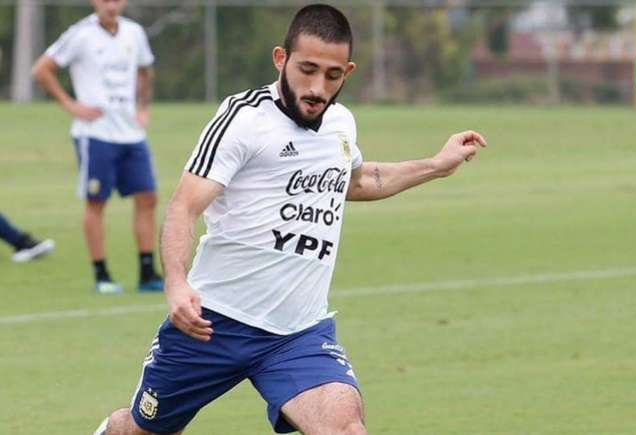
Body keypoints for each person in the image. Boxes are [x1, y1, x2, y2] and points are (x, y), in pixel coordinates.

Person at [93, 4, 487, 434]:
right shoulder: (243, 120)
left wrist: (436, 164)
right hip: (213, 324)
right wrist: (175, 282)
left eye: (333, 75)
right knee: (139, 431)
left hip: (298, 333)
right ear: (281, 59)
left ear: (348, 72)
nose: (318, 87)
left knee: (345, 429)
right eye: (308, 69)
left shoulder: (340, 124)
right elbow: (185, 205)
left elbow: (354, 181)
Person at [32, 0, 163, 294]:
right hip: (95, 134)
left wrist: (142, 108)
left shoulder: (134, 32)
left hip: (131, 133)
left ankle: (147, 272)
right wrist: (70, 105)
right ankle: (101, 274)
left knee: (148, 198)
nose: (111, 5)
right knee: (97, 202)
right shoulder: (80, 34)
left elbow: (145, 71)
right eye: (105, 0)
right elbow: (42, 69)